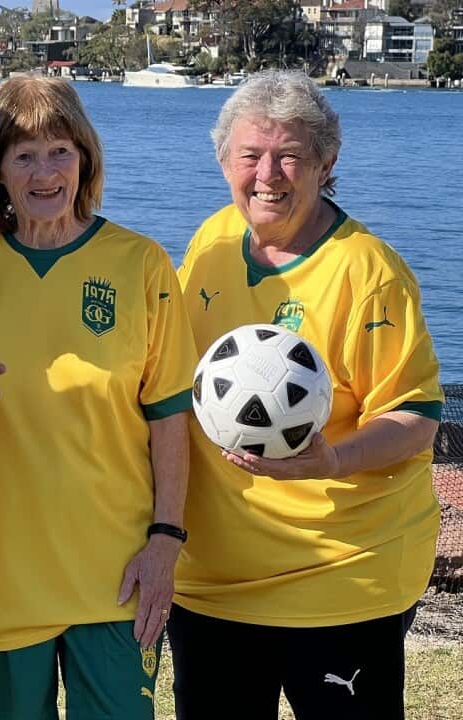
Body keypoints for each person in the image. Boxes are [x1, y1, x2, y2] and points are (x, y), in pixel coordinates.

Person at [169, 70, 443, 720]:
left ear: (326, 163)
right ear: (223, 160)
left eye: (289, 155)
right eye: (251, 155)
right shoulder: (210, 244)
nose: (268, 174)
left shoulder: (367, 273)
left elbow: (415, 417)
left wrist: (332, 459)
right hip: (213, 580)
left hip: (340, 577)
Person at [0, 76, 196, 720]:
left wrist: (166, 540)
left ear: (85, 158)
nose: (45, 171)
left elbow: (170, 415)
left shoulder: (140, 263)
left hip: (117, 574)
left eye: (60, 150)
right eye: (23, 155)